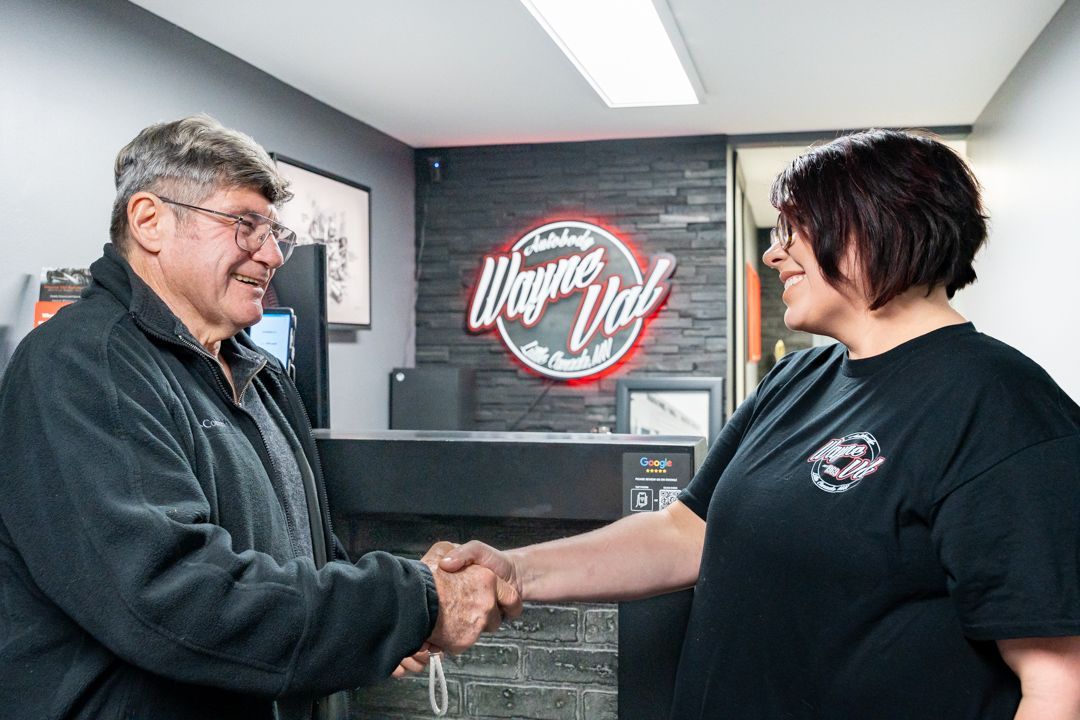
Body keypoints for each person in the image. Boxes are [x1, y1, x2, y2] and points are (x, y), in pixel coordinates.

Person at [432, 130, 1080, 719]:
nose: (775, 255)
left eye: (794, 229)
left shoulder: (1001, 405)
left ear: (875, 226)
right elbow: (683, 534)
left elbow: (1058, 683)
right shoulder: (798, 379)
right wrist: (516, 570)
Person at [0, 115, 513, 720]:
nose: (270, 254)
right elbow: (173, 594)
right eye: (244, 224)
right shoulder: (84, 364)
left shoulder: (256, 371)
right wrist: (414, 602)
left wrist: (372, 626)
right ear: (149, 221)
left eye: (274, 233)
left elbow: (304, 556)